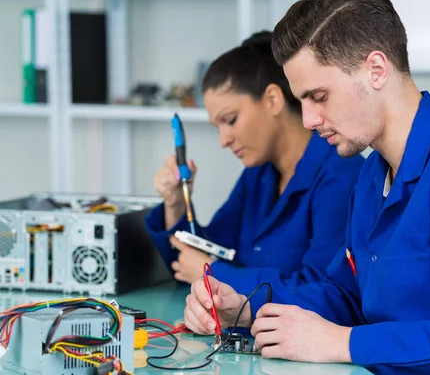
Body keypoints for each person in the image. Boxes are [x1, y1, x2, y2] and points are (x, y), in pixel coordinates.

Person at [183, 0, 430, 374]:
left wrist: (344, 343)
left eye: (319, 97)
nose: (307, 120)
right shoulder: (373, 177)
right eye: (302, 100)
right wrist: (245, 307)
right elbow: (345, 295)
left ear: (376, 69)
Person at [145, 31, 364, 297]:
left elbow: (322, 290)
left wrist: (213, 272)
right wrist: (176, 203)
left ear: (273, 100)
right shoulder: (257, 175)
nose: (224, 140)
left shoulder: (340, 177)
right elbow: (196, 258)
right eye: (217, 128)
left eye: (231, 120)